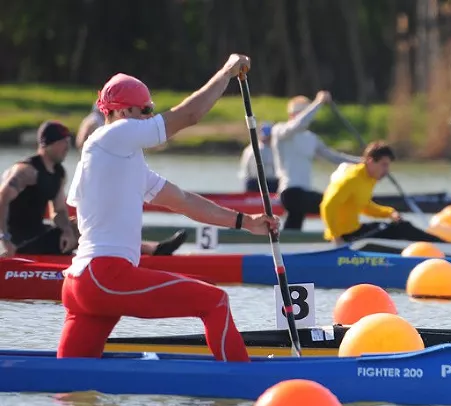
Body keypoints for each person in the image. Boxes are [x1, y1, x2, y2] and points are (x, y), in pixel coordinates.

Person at [57, 54, 279, 362]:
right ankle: (244, 382)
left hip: (83, 283)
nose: (151, 117)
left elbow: (184, 201)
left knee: (70, 379)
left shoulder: (124, 160)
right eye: (146, 110)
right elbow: (188, 116)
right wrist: (227, 73)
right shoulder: (112, 134)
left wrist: (245, 222)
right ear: (122, 111)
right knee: (215, 301)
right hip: (105, 276)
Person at [0, 121, 186, 258]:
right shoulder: (25, 171)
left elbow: (59, 211)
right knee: (86, 226)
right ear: (48, 144)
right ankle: (151, 250)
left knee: (83, 222)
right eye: (63, 142)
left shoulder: (58, 173)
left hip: (38, 234)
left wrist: (66, 230)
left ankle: (144, 250)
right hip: (18, 242)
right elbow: (2, 199)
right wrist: (5, 240)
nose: (67, 147)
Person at [321, 141, 446, 245]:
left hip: (356, 230)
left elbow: (365, 206)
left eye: (388, 166)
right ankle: (446, 247)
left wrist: (389, 213)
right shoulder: (350, 179)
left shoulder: (368, 179)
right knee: (402, 228)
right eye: (384, 165)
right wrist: (336, 238)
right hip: (345, 237)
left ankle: (442, 246)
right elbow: (327, 206)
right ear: (370, 160)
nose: (386, 170)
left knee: (400, 225)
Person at [271, 91, 363, 230]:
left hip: (303, 194)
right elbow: (298, 124)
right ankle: (342, 235)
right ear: (291, 115)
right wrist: (318, 102)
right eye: (300, 114)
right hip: (289, 193)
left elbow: (334, 157)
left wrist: (362, 162)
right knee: (334, 203)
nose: (305, 119)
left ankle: (289, 241)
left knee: (294, 224)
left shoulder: (311, 138)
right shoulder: (280, 131)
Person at [238, 121, 278, 193]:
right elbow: (245, 168)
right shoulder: (251, 149)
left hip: (271, 182)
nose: (267, 138)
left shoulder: (275, 148)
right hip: (254, 182)